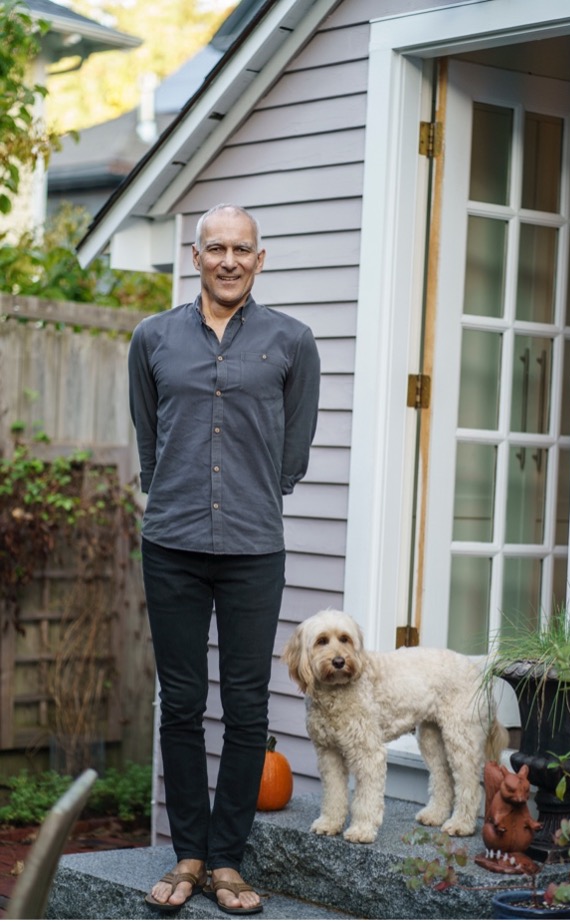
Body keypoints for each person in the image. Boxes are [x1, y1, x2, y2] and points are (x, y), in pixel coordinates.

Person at [128, 204, 320, 914]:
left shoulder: (291, 341)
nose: (230, 260)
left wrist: (247, 494)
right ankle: (187, 854)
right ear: (196, 255)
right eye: (217, 248)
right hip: (172, 542)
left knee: (245, 707)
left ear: (259, 259)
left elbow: (291, 453)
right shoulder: (152, 338)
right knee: (178, 703)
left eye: (243, 249)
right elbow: (150, 441)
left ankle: (228, 862)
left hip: (251, 548)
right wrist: (178, 491)